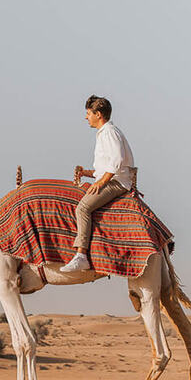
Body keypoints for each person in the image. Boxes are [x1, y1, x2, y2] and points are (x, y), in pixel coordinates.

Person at [60, 95, 135, 272]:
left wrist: (101, 182)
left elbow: (117, 160)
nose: (86, 117)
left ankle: (81, 255)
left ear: (98, 114)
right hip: (113, 178)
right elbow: (107, 165)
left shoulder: (109, 132)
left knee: (82, 208)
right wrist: (87, 173)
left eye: (88, 113)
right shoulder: (105, 133)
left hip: (117, 183)